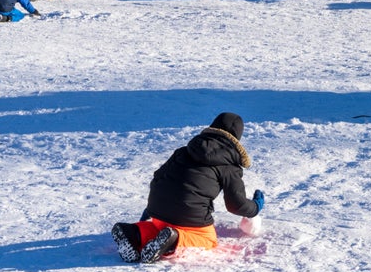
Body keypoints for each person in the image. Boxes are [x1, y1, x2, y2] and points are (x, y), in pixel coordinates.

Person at [110, 112, 265, 264]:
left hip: (158, 209)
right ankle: (175, 240)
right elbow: (236, 205)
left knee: (159, 228)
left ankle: (134, 233)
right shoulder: (229, 166)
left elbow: (158, 177)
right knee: (208, 240)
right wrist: (256, 207)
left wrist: (151, 209)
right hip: (188, 214)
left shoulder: (183, 151)